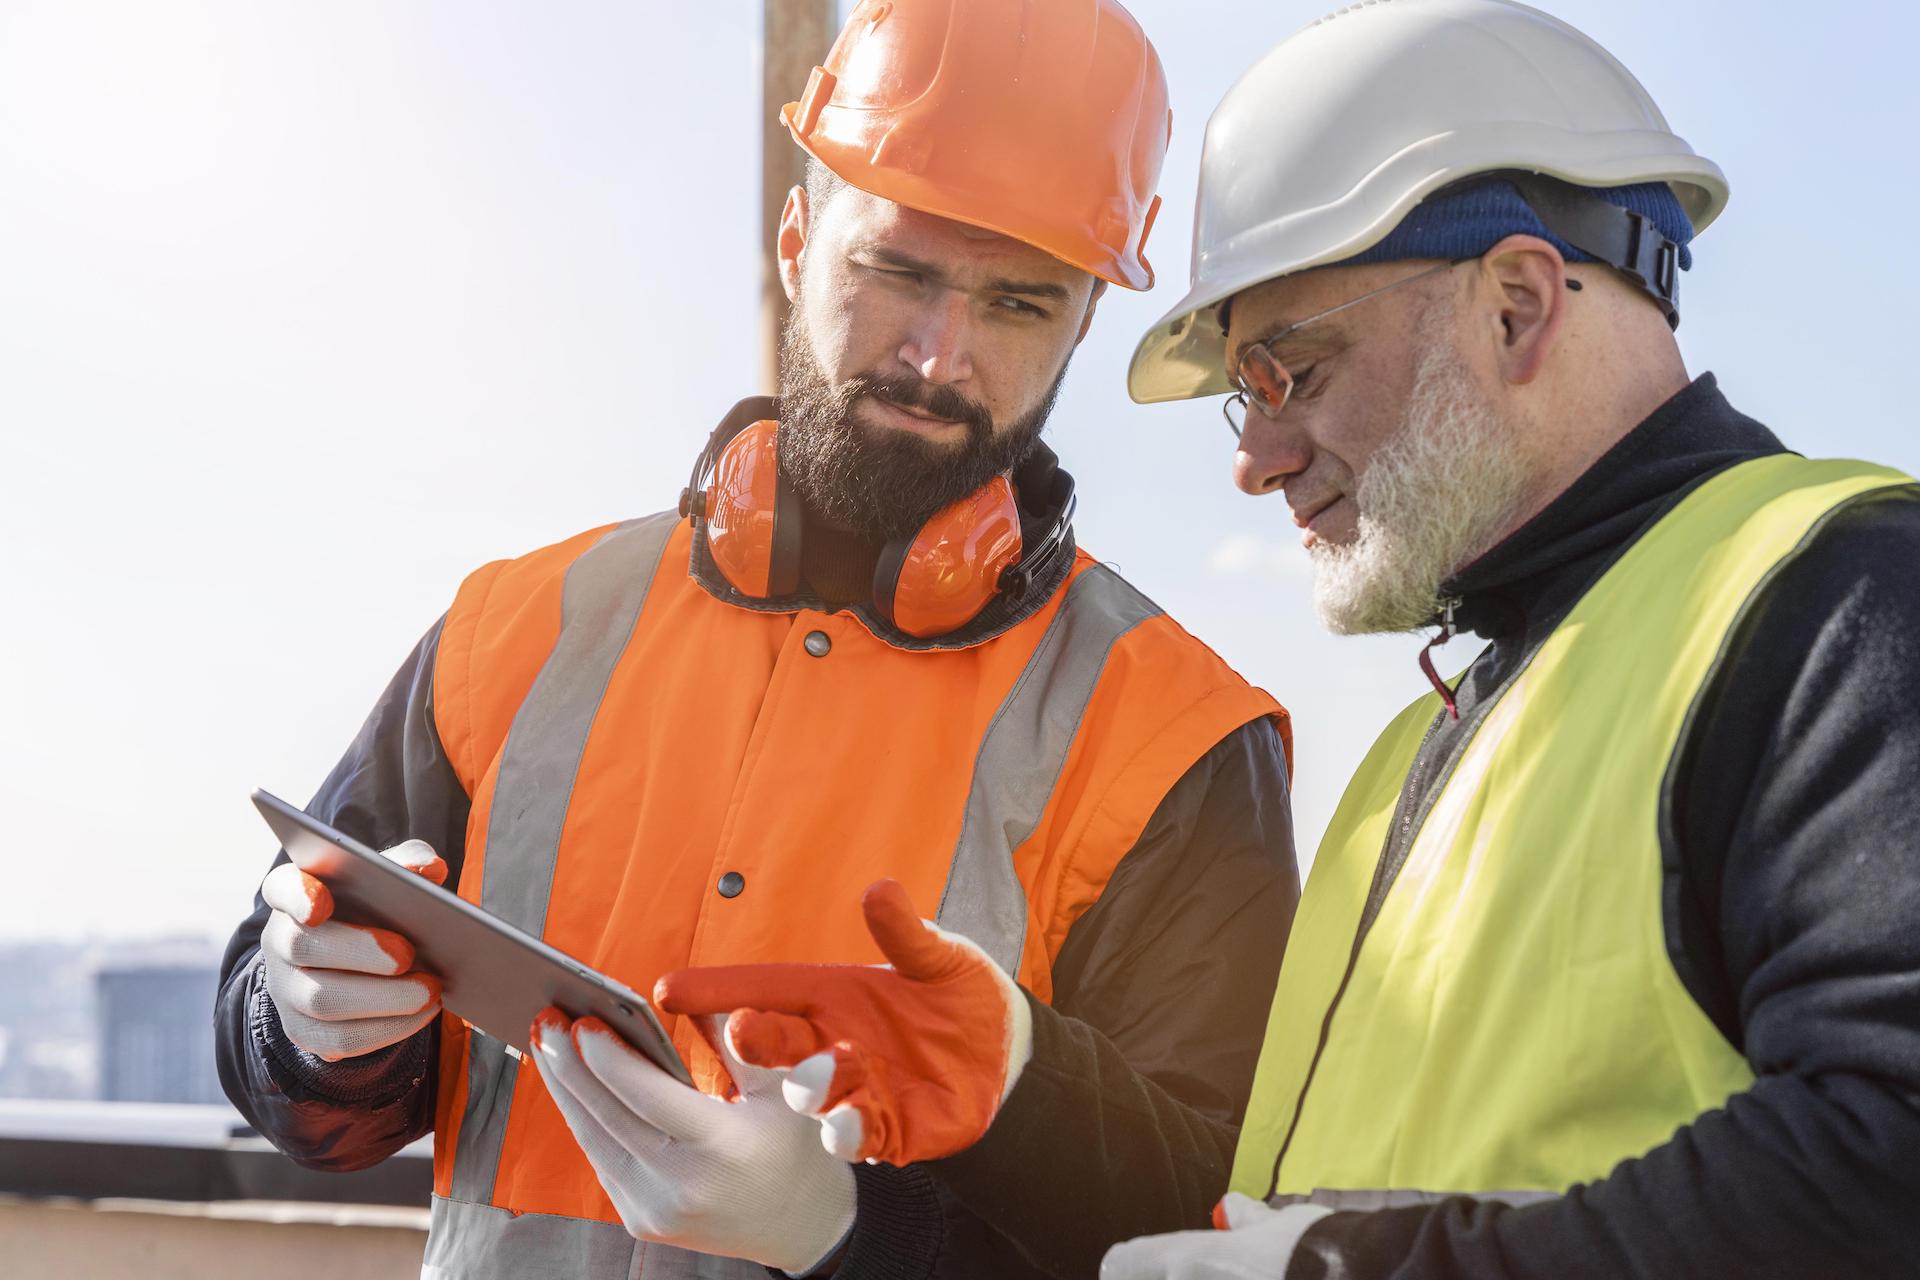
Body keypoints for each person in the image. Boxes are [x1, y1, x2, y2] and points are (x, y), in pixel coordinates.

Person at [666, 2, 1920, 1277]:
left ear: (1519, 305)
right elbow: (1244, 1216)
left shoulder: (1844, 600)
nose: (1256, 464)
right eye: (1243, 402)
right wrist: (1024, 1089)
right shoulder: (1410, 762)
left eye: (1292, 375)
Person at [212, 1, 1300, 1276]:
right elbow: (292, 1062)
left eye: (1017, 302)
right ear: (797, 239)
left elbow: (1201, 1231)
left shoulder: (1177, 740)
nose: (939, 353)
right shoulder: (515, 628)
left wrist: (849, 1238)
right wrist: (301, 1020)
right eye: (896, 269)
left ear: (1080, 326)